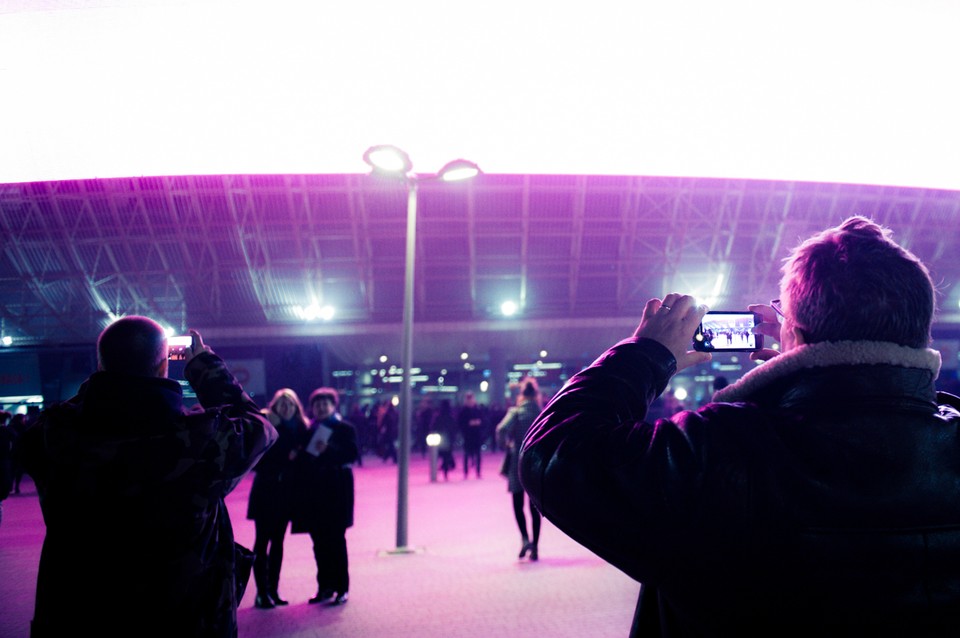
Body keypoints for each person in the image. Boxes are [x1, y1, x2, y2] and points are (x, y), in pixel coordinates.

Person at [520, 216, 960, 636]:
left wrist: (645, 354)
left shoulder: (716, 450)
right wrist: (803, 381)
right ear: (920, 334)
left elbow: (555, 451)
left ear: (797, 336)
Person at [16, 317, 276, 637]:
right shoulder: (201, 439)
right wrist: (204, 365)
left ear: (101, 365)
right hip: (185, 619)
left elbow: (43, 429)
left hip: (81, 615)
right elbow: (258, 426)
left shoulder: (55, 436)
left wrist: (103, 382)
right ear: (163, 365)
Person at [291, 387, 358, 606]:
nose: (320, 408)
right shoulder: (308, 430)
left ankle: (342, 588)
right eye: (317, 405)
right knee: (319, 543)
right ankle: (324, 587)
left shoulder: (345, 428)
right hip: (314, 493)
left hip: (337, 490)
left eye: (325, 404)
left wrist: (329, 449)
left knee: (337, 541)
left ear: (333, 406)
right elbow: (304, 461)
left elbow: (352, 454)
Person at [246, 388, 309, 609]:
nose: (285, 407)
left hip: (286, 493)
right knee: (262, 541)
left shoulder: (300, 429)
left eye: (290, 404)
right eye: (281, 404)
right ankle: (262, 593)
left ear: (296, 408)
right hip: (266, 490)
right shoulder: (266, 426)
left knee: (279, 542)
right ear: (274, 406)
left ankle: (273, 589)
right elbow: (257, 460)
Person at [495, 377, 543, 560]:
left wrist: (505, 446)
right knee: (534, 507)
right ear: (536, 395)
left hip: (517, 462)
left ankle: (524, 539)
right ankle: (536, 547)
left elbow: (500, 429)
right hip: (535, 462)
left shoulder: (515, 412)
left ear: (522, 395)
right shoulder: (541, 414)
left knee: (517, 503)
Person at [458, 391, 487, 478]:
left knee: (477, 454)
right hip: (468, 435)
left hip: (476, 435)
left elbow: (484, 420)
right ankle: (466, 472)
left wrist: (479, 423)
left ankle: (478, 472)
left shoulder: (477, 410)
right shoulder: (464, 411)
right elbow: (460, 423)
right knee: (467, 454)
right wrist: (468, 424)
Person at [430, 398, 457, 480]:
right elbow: (454, 427)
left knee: (439, 455)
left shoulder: (438, 416)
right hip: (448, 438)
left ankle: (436, 471)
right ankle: (446, 471)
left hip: (440, 437)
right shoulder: (450, 416)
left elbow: (433, 426)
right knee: (446, 456)